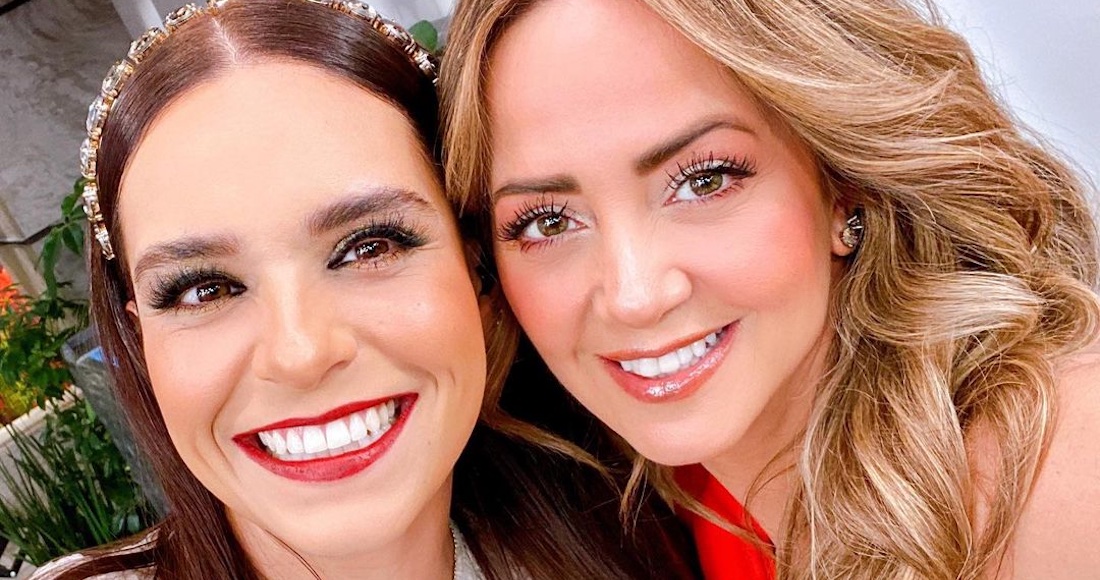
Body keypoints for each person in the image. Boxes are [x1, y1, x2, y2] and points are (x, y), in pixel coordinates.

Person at [33, 0, 697, 577]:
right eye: (203, 290)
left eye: (369, 248)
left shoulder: (656, 537)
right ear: (140, 338)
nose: (300, 353)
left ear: (479, 272)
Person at [439, 0, 1100, 578]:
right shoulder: (654, 512)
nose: (635, 295)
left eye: (703, 181)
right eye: (549, 222)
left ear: (842, 185)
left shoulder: (1061, 468)